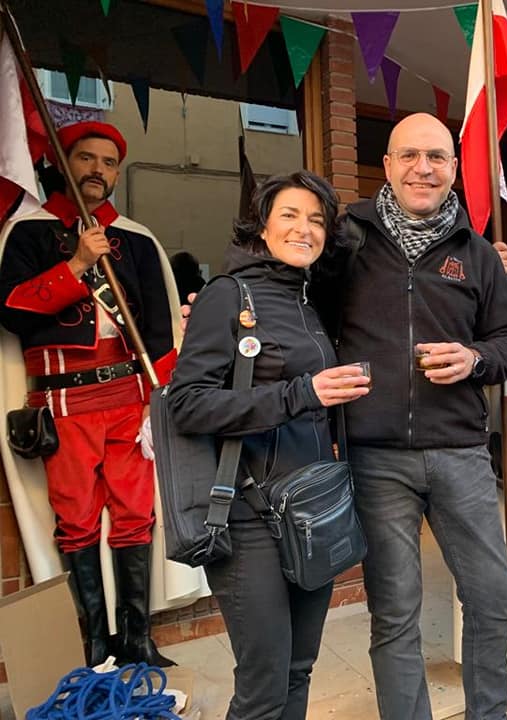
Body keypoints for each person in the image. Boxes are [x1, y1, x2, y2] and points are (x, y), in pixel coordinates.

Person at [325, 113, 507, 720]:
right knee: (395, 612)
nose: (423, 168)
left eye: (436, 157)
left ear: (455, 170)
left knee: (493, 602)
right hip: (375, 456)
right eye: (408, 155)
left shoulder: (478, 253)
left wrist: (474, 358)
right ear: (386, 165)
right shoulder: (347, 240)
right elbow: (299, 308)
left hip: (460, 453)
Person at [168, 171, 368, 720]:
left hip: (310, 511)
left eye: (316, 220)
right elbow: (187, 404)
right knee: (262, 688)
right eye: (289, 215)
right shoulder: (226, 296)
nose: (304, 229)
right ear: (260, 224)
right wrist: (299, 393)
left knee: (299, 670)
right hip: (247, 517)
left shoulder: (310, 302)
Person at [0, 121, 178, 668]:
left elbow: (158, 329)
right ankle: (95, 641)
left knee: (134, 514)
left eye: (108, 162)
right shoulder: (29, 233)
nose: (97, 171)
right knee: (76, 518)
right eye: (86, 158)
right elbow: (10, 309)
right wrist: (77, 264)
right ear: (64, 162)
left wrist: (157, 399)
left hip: (127, 395)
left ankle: (136, 638)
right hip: (63, 399)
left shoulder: (137, 239)